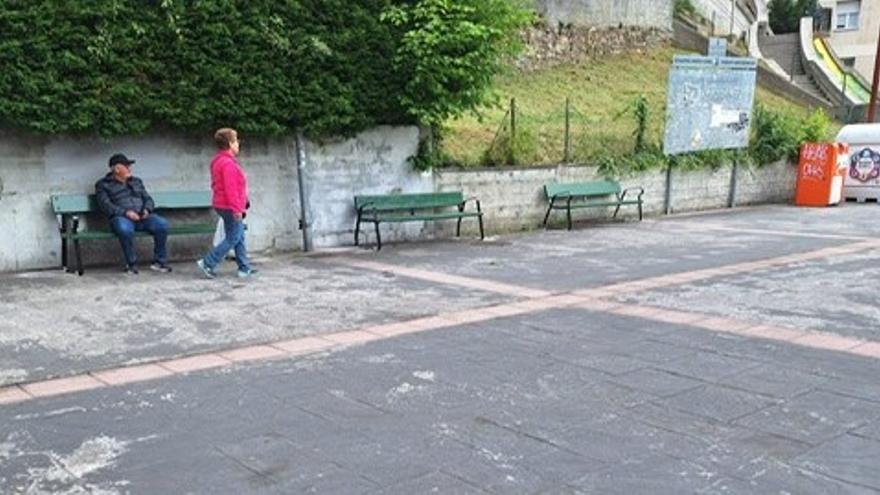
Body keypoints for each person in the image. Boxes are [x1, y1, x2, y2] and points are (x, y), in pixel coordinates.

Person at [95, 153, 172, 274]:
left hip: (143, 217)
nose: (130, 169)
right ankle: (131, 264)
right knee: (124, 229)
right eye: (127, 166)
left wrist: (147, 209)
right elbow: (105, 205)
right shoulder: (103, 185)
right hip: (122, 218)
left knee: (162, 224)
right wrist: (125, 213)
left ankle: (160, 262)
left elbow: (148, 199)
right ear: (117, 169)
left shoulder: (136, 182)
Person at [196, 128, 257, 279]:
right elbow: (231, 189)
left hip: (223, 204)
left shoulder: (218, 161)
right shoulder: (228, 164)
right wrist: (237, 209)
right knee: (233, 237)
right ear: (230, 143)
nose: (238, 144)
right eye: (236, 141)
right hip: (229, 206)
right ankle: (208, 263)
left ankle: (244, 267)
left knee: (239, 235)